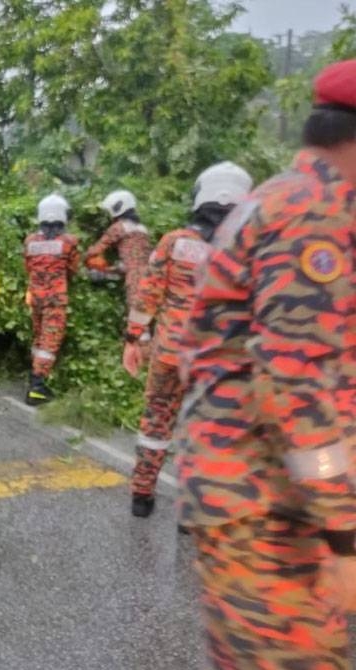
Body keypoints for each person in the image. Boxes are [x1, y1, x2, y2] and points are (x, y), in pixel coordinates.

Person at [176, 60, 356, 668]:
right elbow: (295, 377)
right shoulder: (318, 214)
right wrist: (344, 531)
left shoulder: (273, 198)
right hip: (265, 503)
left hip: (253, 491)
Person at [121, 162, 253, 518]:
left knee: (156, 422)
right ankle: (191, 513)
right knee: (207, 432)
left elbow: (146, 297)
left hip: (168, 355)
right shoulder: (247, 250)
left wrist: (134, 340)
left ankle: (141, 496)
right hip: (217, 363)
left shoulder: (174, 243)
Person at [23, 193, 80, 405]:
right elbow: (73, 269)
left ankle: (33, 375)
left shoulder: (30, 241)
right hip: (55, 300)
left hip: (36, 298)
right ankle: (37, 388)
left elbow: (27, 268)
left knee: (38, 339)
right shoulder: (68, 242)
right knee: (49, 342)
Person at [85, 189, 153, 310]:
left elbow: (97, 249)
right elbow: (136, 258)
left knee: (136, 314)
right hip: (150, 274)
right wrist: (112, 269)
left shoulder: (119, 227)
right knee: (147, 311)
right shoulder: (143, 229)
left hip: (134, 276)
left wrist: (83, 256)